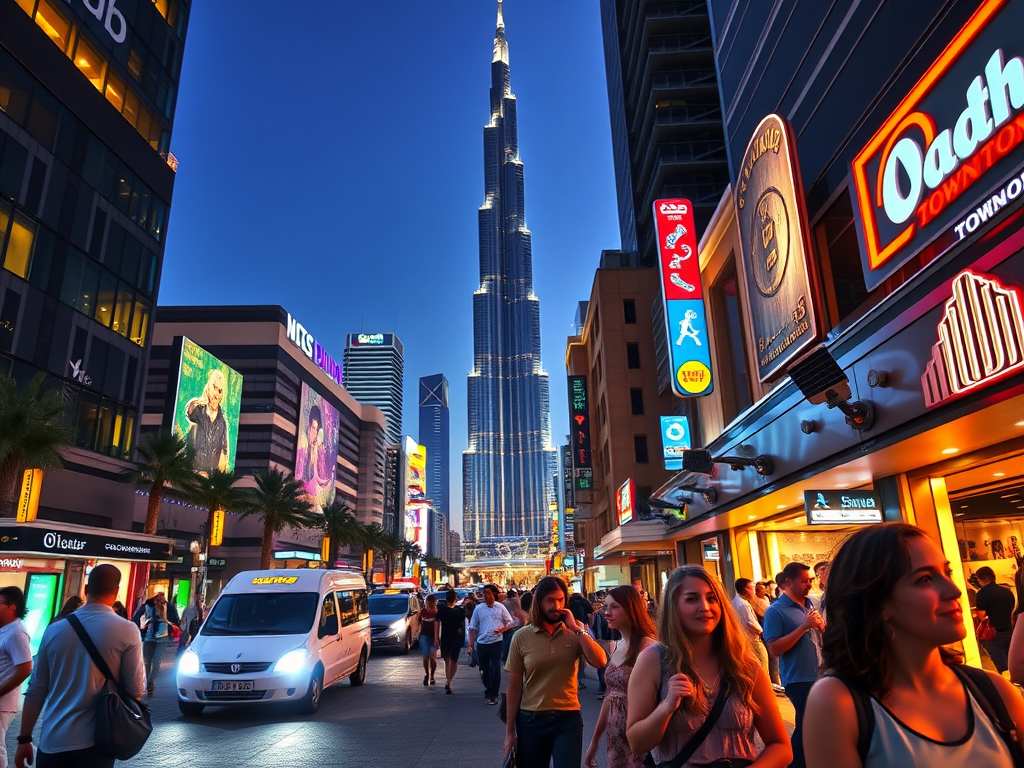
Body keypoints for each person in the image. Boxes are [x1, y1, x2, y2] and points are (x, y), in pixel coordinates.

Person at [804, 523, 1024, 767]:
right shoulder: (838, 704)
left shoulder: (993, 691)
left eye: (947, 573)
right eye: (925, 579)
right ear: (878, 603)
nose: (954, 590)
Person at [626, 565, 791, 768]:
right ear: (673, 605)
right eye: (692, 599)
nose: (705, 606)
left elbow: (781, 746)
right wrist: (667, 707)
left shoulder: (745, 665)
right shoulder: (653, 660)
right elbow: (637, 743)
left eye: (712, 598)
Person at [17, 564, 145, 768]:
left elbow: (36, 690)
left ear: (86, 589)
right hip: (95, 744)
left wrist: (24, 739)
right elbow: (135, 692)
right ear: (116, 592)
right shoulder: (128, 631)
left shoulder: (54, 630)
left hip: (52, 743)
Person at [504, 576, 608, 768]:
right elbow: (514, 685)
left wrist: (577, 629)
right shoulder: (522, 636)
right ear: (539, 602)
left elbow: (600, 661)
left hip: (567, 720)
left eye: (560, 600)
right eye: (550, 601)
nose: (556, 606)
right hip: (531, 720)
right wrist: (510, 730)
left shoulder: (575, 632)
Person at [585, 585, 656, 768]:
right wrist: (595, 741)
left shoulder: (650, 648)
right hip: (616, 738)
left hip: (641, 738)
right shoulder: (616, 645)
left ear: (632, 608)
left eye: (614, 607)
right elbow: (610, 697)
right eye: (606, 607)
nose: (606, 613)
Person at [763, 562, 823, 768]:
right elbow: (774, 649)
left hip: (820, 674)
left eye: (810, 580)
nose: (809, 585)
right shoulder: (776, 611)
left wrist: (822, 628)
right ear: (788, 582)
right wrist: (804, 627)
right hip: (799, 678)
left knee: (817, 724)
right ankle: (795, 763)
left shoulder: (809, 604)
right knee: (807, 724)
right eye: (804, 581)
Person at [0, 587, 32, 768]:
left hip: (3, 702)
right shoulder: (5, 629)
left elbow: (25, 668)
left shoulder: (16, 633)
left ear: (11, 606)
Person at [467, 584, 513, 705]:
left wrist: (502, 630)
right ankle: (488, 688)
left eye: (488, 595)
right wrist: (470, 645)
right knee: (484, 669)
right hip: (482, 643)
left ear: (494, 596)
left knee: (495, 668)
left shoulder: (500, 607)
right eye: (484, 595)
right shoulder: (479, 609)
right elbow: (473, 627)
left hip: (496, 642)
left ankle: (494, 694)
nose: (486, 598)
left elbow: (510, 622)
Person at [185, 368, 230, 474]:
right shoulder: (200, 411)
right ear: (209, 388)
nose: (216, 394)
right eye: (214, 388)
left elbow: (223, 452)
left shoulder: (222, 422)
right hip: (194, 472)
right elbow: (190, 413)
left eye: (220, 390)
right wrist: (201, 401)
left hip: (209, 479)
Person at [974, 566, 1015, 674]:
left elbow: (982, 615)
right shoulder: (1007, 592)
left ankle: (1011, 688)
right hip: (1009, 630)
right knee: (1011, 662)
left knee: (1002, 667)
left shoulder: (981, 594)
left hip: (993, 633)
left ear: (981, 579)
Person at [732, 578, 770, 674]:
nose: (754, 591)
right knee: (762, 666)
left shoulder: (735, 602)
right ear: (746, 589)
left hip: (743, 639)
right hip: (752, 639)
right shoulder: (743, 604)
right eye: (752, 587)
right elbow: (750, 622)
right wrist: (762, 631)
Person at [141, 592, 171, 696]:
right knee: (147, 661)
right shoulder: (147, 606)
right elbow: (139, 617)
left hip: (162, 637)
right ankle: (148, 682)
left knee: (156, 660)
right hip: (150, 637)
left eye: (162, 595)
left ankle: (151, 682)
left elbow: (174, 618)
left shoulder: (167, 606)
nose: (160, 597)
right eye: (158, 595)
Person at [437, 589, 466, 694]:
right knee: (454, 659)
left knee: (447, 660)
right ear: (456, 598)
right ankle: (449, 681)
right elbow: (463, 625)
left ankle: (448, 681)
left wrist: (436, 638)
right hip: (456, 637)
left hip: (445, 636)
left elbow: (437, 623)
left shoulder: (442, 610)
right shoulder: (459, 610)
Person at [569, 591, 595, 690]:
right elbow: (591, 614)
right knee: (583, 652)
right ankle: (579, 677)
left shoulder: (569, 603)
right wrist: (590, 625)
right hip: (582, 627)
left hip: (569, 628)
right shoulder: (584, 602)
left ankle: (576, 680)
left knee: (574, 654)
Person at [591, 591, 613, 699]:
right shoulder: (600, 614)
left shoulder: (599, 614)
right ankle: (604, 688)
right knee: (604, 664)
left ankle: (603, 688)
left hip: (604, 640)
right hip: (605, 640)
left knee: (604, 665)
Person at [418, 594, 440, 686]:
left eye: (431, 602)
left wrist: (437, 638)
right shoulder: (423, 611)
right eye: (428, 602)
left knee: (433, 657)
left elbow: (439, 625)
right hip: (424, 635)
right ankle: (427, 674)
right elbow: (419, 622)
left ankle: (432, 676)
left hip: (434, 636)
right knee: (425, 656)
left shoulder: (437, 612)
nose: (430, 604)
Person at [502, 595, 529, 665]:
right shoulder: (519, 609)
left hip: (511, 629)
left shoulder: (504, 603)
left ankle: (507, 659)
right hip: (514, 629)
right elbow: (522, 622)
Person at [463, 594, 478, 668]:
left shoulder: (467, 617)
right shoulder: (475, 612)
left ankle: (473, 658)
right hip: (473, 632)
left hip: (471, 631)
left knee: (472, 643)